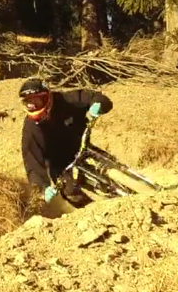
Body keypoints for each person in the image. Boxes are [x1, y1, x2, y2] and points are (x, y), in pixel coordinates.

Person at [18, 77, 113, 206]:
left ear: (48, 97)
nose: (33, 105)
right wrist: (42, 189)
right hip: (58, 161)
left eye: (37, 100)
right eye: (29, 102)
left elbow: (95, 97)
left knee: (109, 165)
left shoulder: (67, 99)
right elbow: (32, 161)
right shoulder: (31, 128)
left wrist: (99, 104)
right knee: (69, 190)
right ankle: (91, 212)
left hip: (81, 145)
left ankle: (129, 177)